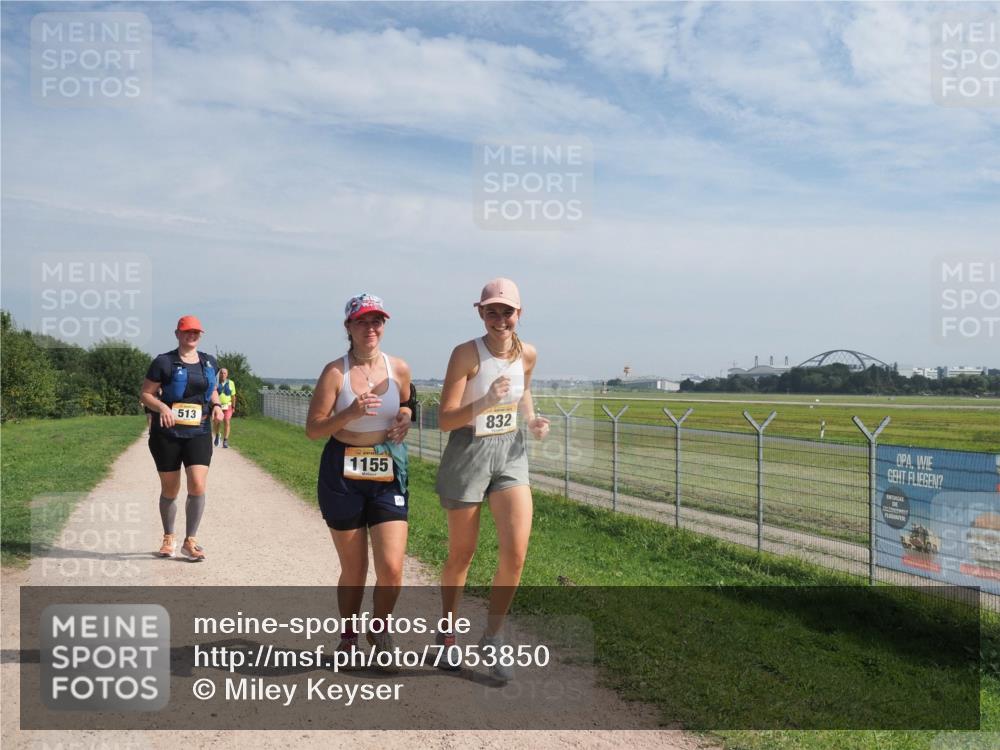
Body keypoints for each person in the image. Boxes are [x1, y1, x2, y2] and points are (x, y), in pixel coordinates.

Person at [435, 278, 549, 681]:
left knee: (516, 554)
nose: (500, 319)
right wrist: (484, 400)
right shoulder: (466, 354)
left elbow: (524, 392)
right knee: (462, 554)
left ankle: (493, 636)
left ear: (520, 314)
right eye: (492, 311)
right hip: (468, 450)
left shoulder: (528, 353)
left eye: (507, 311)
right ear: (480, 313)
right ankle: (446, 636)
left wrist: (532, 419)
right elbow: (444, 419)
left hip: (510, 451)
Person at [306, 293, 415, 671]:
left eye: (377, 321)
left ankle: (380, 629)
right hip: (342, 471)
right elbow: (313, 429)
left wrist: (405, 414)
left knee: (392, 567)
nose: (371, 328)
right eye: (363, 322)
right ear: (349, 327)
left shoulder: (399, 367)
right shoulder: (334, 373)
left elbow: (408, 401)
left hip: (386, 470)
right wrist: (349, 413)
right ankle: (349, 638)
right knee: (354, 568)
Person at [140, 315, 224, 562]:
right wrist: (163, 408)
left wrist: (217, 405)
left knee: (197, 484)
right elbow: (146, 394)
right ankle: (168, 537)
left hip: (198, 431)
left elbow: (213, 390)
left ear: (201, 334)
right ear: (177, 333)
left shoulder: (209, 362)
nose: (192, 335)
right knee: (171, 488)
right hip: (167, 434)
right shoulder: (163, 362)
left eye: (196, 332)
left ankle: (191, 540)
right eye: (187, 331)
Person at [213, 368, 236, 448]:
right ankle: (217, 434)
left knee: (227, 421)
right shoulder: (215, 382)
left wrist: (233, 406)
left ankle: (225, 440)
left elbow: (233, 396)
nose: (223, 375)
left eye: (224, 373)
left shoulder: (231, 383)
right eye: (221, 373)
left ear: (227, 374)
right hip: (218, 406)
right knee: (217, 422)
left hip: (228, 406)